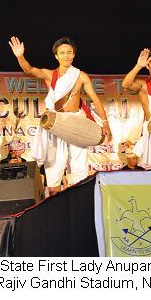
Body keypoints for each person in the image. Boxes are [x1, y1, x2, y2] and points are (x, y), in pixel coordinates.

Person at [8, 36, 111, 196]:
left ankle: (79, 206)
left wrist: (105, 123)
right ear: (56, 56)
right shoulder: (50, 75)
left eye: (69, 52)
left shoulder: (80, 76)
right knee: (54, 173)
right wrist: (20, 56)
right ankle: (56, 208)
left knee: (79, 173)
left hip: (76, 126)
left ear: (74, 55)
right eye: (62, 53)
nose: (66, 56)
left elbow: (95, 100)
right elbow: (29, 69)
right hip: (55, 127)